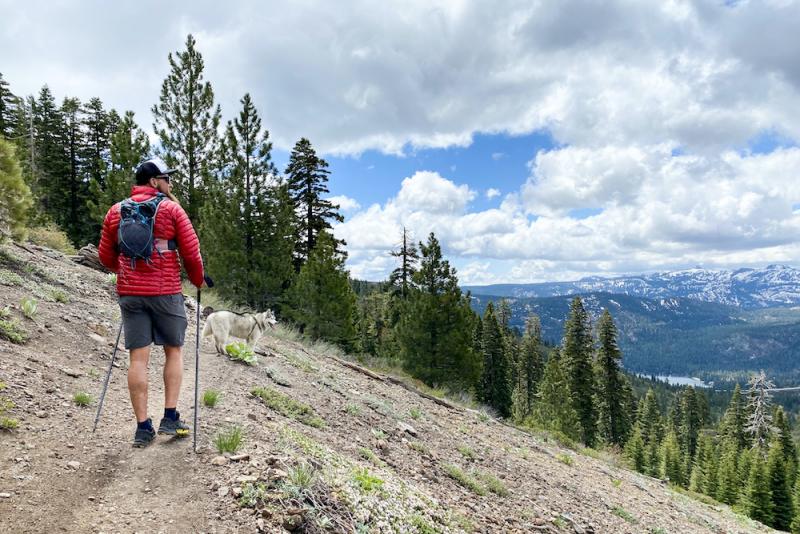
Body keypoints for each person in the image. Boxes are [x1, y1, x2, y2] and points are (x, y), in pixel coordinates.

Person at [98, 157, 205, 447]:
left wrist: (127, 273)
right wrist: (197, 280)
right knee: (174, 350)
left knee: (138, 358)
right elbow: (192, 253)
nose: (170, 183)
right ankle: (170, 417)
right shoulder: (172, 209)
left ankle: (143, 428)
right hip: (165, 291)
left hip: (131, 293)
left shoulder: (116, 211)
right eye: (167, 178)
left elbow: (106, 257)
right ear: (154, 182)